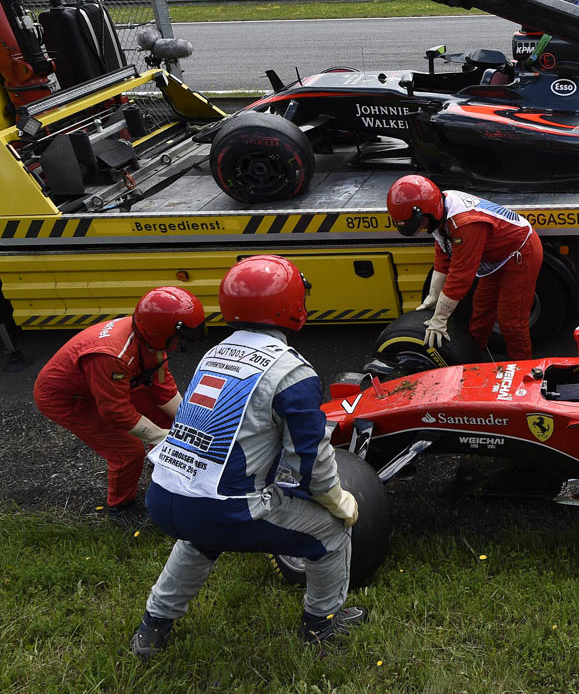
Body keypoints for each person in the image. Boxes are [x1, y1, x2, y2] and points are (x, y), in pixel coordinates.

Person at [130, 256, 365, 658]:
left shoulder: (216, 354)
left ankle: (153, 626)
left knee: (198, 538)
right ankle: (322, 626)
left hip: (164, 495)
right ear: (291, 304)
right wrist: (340, 501)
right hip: (224, 509)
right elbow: (309, 465)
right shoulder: (292, 372)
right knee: (331, 530)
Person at [33, 287, 205, 529]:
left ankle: (168, 472)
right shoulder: (114, 356)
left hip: (111, 383)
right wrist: (164, 437)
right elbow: (116, 412)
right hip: (67, 398)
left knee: (170, 424)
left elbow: (162, 388)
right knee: (128, 451)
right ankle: (120, 506)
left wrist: (190, 426)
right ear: (159, 331)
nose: (178, 345)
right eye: (177, 338)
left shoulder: (149, 339)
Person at [387, 175, 542, 360]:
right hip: (494, 256)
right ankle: (471, 363)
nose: (419, 228)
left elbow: (460, 276)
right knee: (480, 315)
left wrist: (440, 318)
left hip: (520, 252)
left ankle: (525, 371)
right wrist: (433, 296)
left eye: (418, 223)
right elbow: (444, 256)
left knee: (511, 322)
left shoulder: (464, 223)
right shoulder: (438, 210)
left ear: (426, 211)